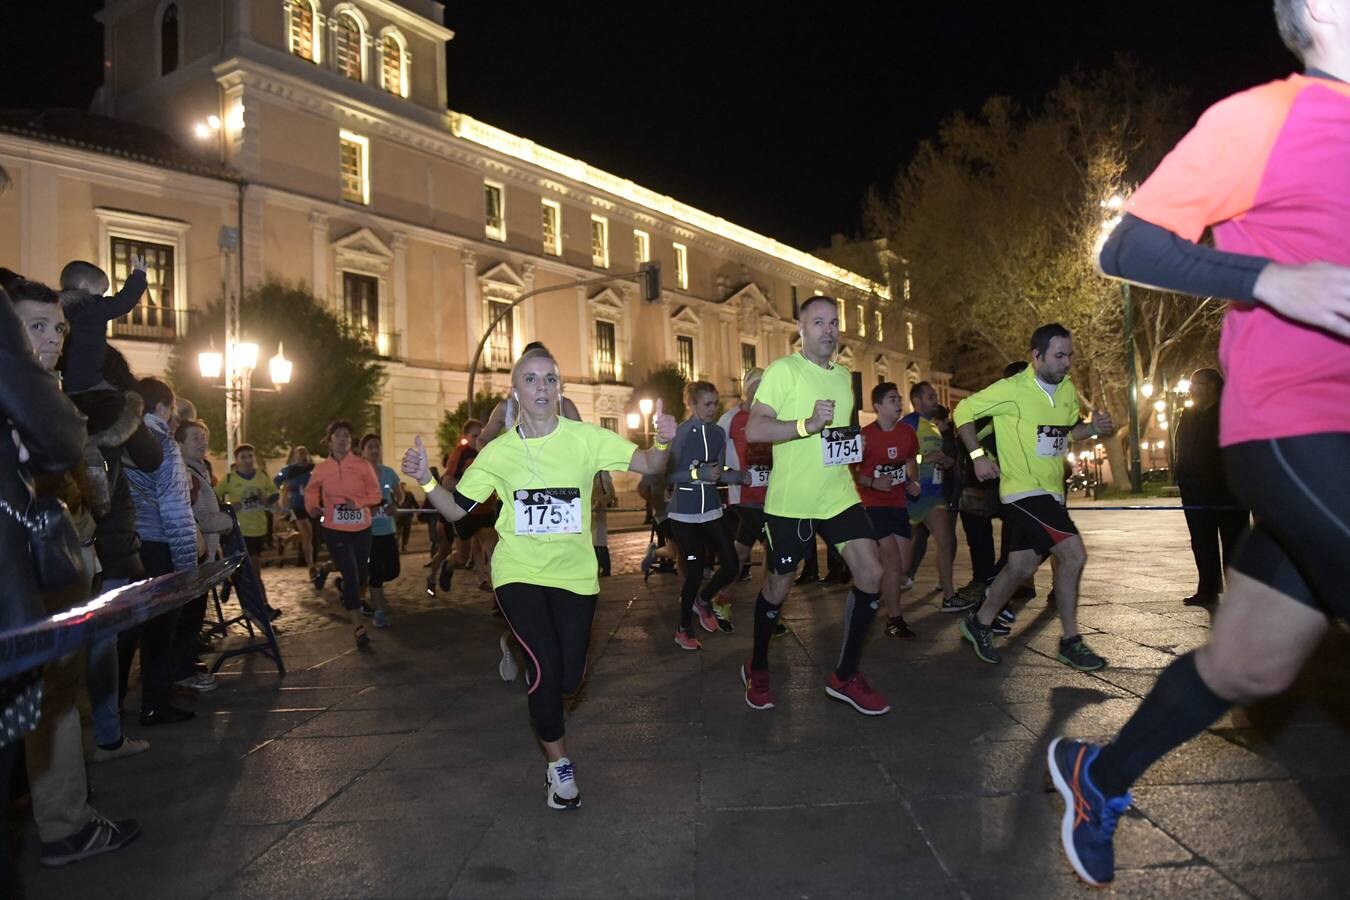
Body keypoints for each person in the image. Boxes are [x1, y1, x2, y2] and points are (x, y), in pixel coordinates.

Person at [1047, 2, 1350, 885]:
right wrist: (1271, 280)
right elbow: (1127, 245)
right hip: (1292, 425)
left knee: (1247, 665)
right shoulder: (1266, 118)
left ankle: (1097, 777)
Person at [403, 347, 676, 809]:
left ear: (560, 388)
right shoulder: (500, 452)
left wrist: (665, 441)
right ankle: (559, 768)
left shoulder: (586, 439)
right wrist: (426, 483)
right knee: (546, 672)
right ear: (516, 393)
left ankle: (516, 646)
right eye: (531, 380)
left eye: (550, 378)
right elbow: (458, 512)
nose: (542, 387)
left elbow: (650, 464)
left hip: (575, 577)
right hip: (519, 572)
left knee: (570, 679)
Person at [2, 279, 141, 868]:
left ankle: (61, 816)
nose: (53, 338)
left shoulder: (55, 392)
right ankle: (64, 822)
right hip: (22, 570)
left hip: (60, 555)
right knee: (45, 687)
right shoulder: (25, 392)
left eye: (59, 328)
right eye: (37, 326)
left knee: (55, 690)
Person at [742, 295, 889, 715]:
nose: (829, 330)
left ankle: (845, 675)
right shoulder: (783, 371)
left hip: (838, 495)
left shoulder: (844, 377)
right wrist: (806, 424)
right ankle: (757, 667)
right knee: (778, 586)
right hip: (792, 501)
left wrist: (853, 450)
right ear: (801, 330)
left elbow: (838, 438)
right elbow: (755, 428)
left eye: (834, 323)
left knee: (872, 572)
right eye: (819, 323)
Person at [953, 323, 1114, 671]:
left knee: (1020, 567)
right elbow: (962, 411)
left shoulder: (1068, 390)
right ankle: (1071, 641)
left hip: (1051, 492)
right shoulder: (1012, 389)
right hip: (1023, 491)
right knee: (1073, 556)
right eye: (1059, 356)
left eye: (1069, 355)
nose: (1066, 362)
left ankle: (979, 624)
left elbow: (1070, 433)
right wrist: (979, 457)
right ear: (1036, 356)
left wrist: (1095, 430)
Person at [124, 376, 200, 725]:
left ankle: (112, 712)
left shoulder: (121, 441)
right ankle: (155, 703)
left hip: (127, 548)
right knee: (158, 631)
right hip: (159, 546)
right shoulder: (164, 445)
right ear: (162, 407)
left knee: (125, 632)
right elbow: (174, 509)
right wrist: (187, 568)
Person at [666, 381, 741, 650]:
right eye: (707, 404)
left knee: (731, 565)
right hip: (684, 515)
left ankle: (704, 600)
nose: (713, 409)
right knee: (695, 570)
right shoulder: (682, 434)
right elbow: (671, 474)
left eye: (715, 403)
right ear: (693, 405)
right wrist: (698, 474)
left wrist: (741, 476)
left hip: (710, 510)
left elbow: (718, 471)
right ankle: (683, 628)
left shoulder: (719, 433)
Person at [1173, 368, 1249, 605]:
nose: (1191, 388)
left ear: (1213, 387)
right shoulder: (1189, 414)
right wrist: (1182, 477)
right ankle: (1207, 588)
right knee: (1201, 540)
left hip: (1228, 490)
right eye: (1192, 384)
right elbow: (1182, 446)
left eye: (1197, 384)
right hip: (1195, 490)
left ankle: (1239, 593)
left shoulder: (1232, 413)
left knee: (1234, 542)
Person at [853, 382, 922, 638]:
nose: (899, 403)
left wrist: (912, 481)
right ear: (878, 406)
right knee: (893, 561)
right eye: (893, 399)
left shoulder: (907, 433)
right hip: (871, 504)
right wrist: (873, 483)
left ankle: (867, 586)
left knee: (902, 565)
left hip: (898, 503)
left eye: (899, 398)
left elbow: (910, 460)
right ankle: (895, 619)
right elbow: (850, 472)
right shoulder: (865, 436)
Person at [306, 421, 383, 647]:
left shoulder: (362, 465)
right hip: (334, 529)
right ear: (329, 441)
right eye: (338, 435)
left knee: (360, 575)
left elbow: (376, 495)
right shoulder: (321, 469)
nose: (342, 439)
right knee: (350, 574)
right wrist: (311, 506)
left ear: (351, 441)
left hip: (361, 528)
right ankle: (358, 627)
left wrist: (357, 503)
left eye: (347, 436)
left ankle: (346, 589)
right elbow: (311, 490)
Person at [177, 419, 231, 692]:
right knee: (190, 618)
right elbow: (202, 520)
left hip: (204, 554)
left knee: (193, 617)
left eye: (204, 436)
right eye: (195, 437)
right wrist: (229, 520)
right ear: (180, 444)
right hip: (194, 557)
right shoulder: (188, 474)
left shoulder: (198, 471)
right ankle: (183, 671)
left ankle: (185, 666)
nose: (202, 442)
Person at [717, 367, 773, 631]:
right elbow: (712, 454)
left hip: (771, 496)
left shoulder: (774, 416)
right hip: (745, 497)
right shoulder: (731, 419)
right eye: (756, 387)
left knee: (740, 552)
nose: (761, 392)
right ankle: (769, 611)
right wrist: (733, 476)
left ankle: (721, 600)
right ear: (747, 389)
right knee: (773, 550)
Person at [901, 382, 962, 611]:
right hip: (909, 494)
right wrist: (924, 460)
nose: (935, 399)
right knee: (900, 555)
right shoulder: (909, 423)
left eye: (935, 396)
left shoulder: (933, 426)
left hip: (933, 495)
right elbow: (900, 458)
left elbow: (933, 455)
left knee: (945, 541)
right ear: (917, 401)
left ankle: (949, 595)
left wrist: (944, 461)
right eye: (930, 396)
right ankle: (875, 592)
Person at [56, 257, 146, 396]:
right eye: (102, 292)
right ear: (84, 286)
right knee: (119, 402)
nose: (102, 297)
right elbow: (122, 302)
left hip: (65, 377)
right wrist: (138, 276)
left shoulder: (58, 308)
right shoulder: (91, 306)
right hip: (88, 378)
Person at [217, 443, 281, 615]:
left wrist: (266, 499)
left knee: (250, 569)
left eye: (250, 456)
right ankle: (264, 607)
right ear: (236, 461)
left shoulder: (262, 475)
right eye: (243, 457)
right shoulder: (230, 479)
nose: (247, 460)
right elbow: (214, 496)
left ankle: (230, 581)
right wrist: (229, 506)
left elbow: (275, 494)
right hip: (238, 531)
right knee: (253, 570)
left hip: (258, 529)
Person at [360, 433, 400, 628]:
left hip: (388, 529)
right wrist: (367, 507)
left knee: (393, 570)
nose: (375, 450)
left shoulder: (389, 473)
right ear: (363, 451)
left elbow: (399, 494)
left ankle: (369, 583)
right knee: (376, 572)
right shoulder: (358, 475)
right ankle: (378, 611)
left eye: (377, 446)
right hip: (368, 532)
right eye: (370, 447)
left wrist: (396, 504)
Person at [275, 445, 318, 576]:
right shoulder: (289, 470)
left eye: (305, 453)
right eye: (300, 453)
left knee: (311, 536)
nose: (303, 456)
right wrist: (285, 491)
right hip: (297, 506)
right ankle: (311, 564)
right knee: (307, 534)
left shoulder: (314, 468)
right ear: (295, 456)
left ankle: (286, 540)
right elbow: (275, 482)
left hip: (314, 505)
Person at [591, 470, 615, 577]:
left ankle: (605, 572)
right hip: (587, 514)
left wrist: (599, 502)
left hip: (597, 514)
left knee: (599, 543)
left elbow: (610, 492)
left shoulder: (602, 473)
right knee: (592, 543)